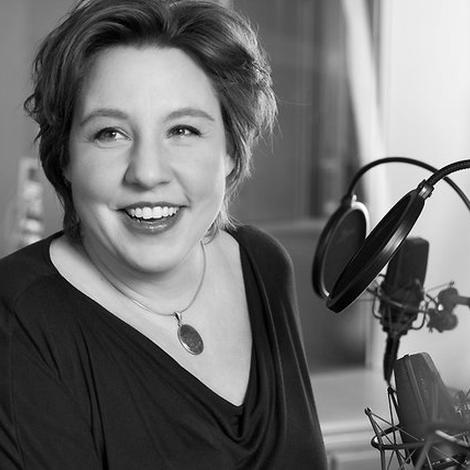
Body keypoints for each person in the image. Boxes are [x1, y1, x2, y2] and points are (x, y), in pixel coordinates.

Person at [0, 0, 327, 468]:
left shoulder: (262, 263)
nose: (147, 173)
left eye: (184, 130)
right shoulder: (17, 319)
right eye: (110, 133)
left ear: (231, 150)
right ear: (65, 157)